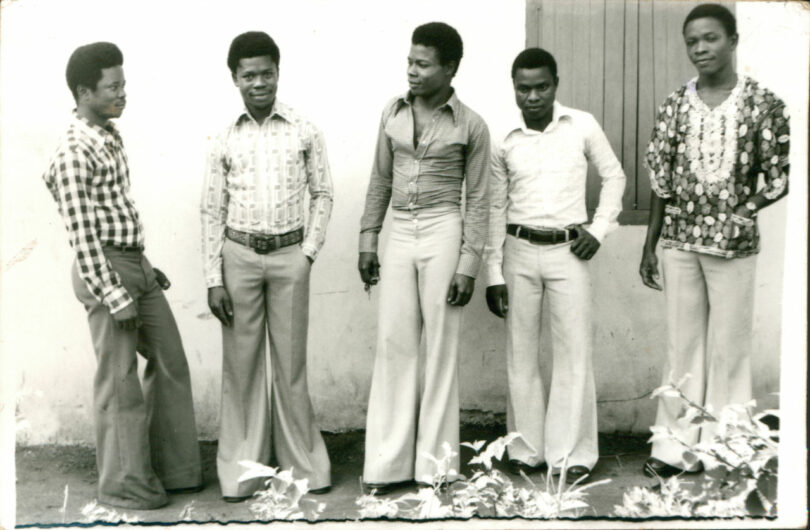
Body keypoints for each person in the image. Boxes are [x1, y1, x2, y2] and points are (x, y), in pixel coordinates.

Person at [43, 42, 202, 509]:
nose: (122, 93)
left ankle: (171, 470)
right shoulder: (73, 151)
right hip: (104, 272)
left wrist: (143, 266)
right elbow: (83, 236)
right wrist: (114, 292)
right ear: (84, 92)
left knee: (170, 361)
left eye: (123, 84)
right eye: (113, 87)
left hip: (134, 265)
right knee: (119, 380)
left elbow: (115, 214)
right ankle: (124, 486)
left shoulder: (108, 135)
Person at [639, 3, 789, 477]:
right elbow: (661, 179)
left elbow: (780, 175)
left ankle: (727, 450)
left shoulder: (763, 104)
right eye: (692, 41)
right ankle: (673, 449)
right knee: (681, 347)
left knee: (730, 349)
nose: (700, 49)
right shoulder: (675, 104)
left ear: (733, 41)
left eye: (711, 38)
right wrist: (650, 244)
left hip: (733, 246)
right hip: (680, 242)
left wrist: (745, 210)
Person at [358, 22, 490, 493]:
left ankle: (436, 467)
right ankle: (387, 464)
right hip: (399, 230)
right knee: (394, 343)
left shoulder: (471, 125)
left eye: (423, 64)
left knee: (440, 349)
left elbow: (479, 200)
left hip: (443, 229)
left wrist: (468, 265)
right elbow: (379, 179)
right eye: (409, 62)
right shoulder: (391, 112)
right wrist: (368, 238)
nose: (412, 71)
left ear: (450, 68)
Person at [201, 31, 334, 502]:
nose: (259, 83)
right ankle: (244, 472)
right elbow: (212, 209)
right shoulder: (224, 137)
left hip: (288, 256)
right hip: (238, 257)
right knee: (242, 369)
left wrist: (307, 253)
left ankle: (305, 467)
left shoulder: (304, 129)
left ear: (279, 73)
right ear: (234, 78)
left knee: (291, 365)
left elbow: (323, 193)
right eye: (249, 75)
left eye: (267, 73)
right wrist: (214, 278)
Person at [484, 48, 626, 484]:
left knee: (573, 352)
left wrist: (598, 230)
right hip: (518, 250)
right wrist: (493, 273)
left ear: (556, 85)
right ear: (514, 89)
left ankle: (572, 454)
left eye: (541, 87)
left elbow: (615, 175)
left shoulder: (581, 124)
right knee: (521, 353)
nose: (533, 97)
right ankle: (527, 449)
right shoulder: (503, 138)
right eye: (523, 89)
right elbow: (494, 207)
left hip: (569, 251)